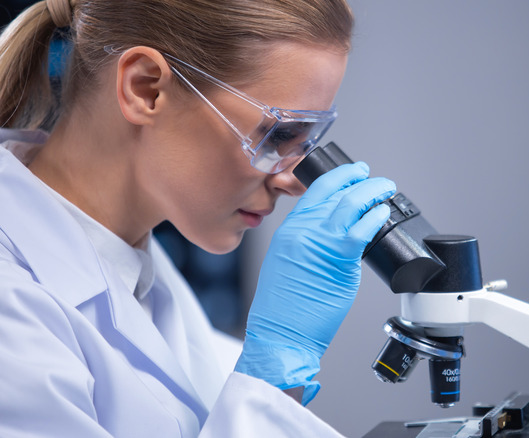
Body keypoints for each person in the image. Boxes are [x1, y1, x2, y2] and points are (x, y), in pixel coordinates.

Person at [0, 0, 396, 436]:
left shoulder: (130, 264)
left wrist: (275, 375)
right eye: (279, 134)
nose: (295, 182)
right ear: (145, 87)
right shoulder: (11, 303)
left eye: (309, 140)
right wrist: (277, 366)